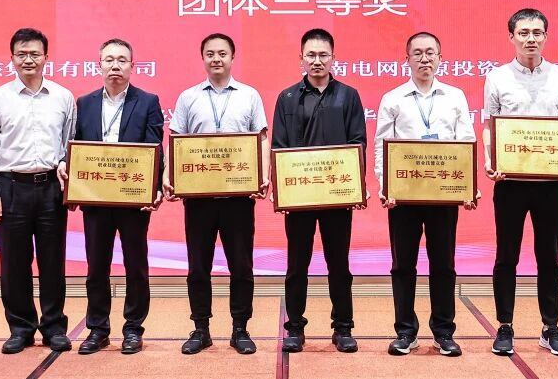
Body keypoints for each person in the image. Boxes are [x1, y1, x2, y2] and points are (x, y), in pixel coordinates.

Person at [481, 8, 558, 358]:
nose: (530, 39)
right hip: (510, 182)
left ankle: (550, 327)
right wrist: (491, 162)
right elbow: (490, 126)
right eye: (523, 33)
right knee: (506, 255)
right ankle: (504, 326)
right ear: (511, 37)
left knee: (549, 258)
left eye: (537, 32)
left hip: (551, 185)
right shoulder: (497, 77)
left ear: (546, 37)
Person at [164, 33, 270, 356]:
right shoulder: (188, 97)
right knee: (198, 267)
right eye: (210, 53)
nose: (216, 59)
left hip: (238, 198)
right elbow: (175, 141)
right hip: (199, 199)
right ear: (203, 58)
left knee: (242, 266)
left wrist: (263, 175)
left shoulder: (249, 95)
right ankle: (201, 329)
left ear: (232, 57)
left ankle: (240, 329)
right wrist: (169, 176)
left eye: (222, 53)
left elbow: (262, 138)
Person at [374, 31, 478, 358]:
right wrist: (386, 186)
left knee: (443, 264)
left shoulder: (455, 96)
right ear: (406, 59)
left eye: (430, 52)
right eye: (417, 53)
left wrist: (468, 187)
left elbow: (466, 142)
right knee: (402, 265)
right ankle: (405, 332)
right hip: (403, 196)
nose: (424, 58)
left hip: (443, 195)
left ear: (440, 58)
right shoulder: (393, 98)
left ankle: (444, 332)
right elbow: (381, 147)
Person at [0, 27, 76, 354]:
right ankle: (20, 328)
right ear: (12, 58)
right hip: (11, 187)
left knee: (53, 261)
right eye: (22, 54)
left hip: (50, 188)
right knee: (14, 263)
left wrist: (66, 168)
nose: (28, 59)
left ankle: (54, 327)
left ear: (46, 57)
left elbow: (70, 144)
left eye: (34, 53)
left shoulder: (63, 97)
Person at [60, 39, 164, 356]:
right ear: (99, 65)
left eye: (122, 60)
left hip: (134, 199)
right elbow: (76, 146)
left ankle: (133, 329)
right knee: (96, 267)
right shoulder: (85, 103)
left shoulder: (147, 101)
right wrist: (69, 172)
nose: (115, 65)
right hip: (96, 200)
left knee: (136, 266)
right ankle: (98, 329)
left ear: (132, 66)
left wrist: (155, 188)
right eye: (109, 60)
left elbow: (155, 149)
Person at [272, 28, 367, 354]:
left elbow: (358, 143)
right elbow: (279, 146)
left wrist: (354, 186)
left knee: (339, 265)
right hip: (299, 197)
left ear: (333, 58)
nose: (317, 61)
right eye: (310, 55)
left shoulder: (348, 96)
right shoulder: (287, 98)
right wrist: (283, 188)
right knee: (296, 266)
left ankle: (343, 328)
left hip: (336, 197)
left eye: (323, 55)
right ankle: (295, 328)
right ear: (301, 58)